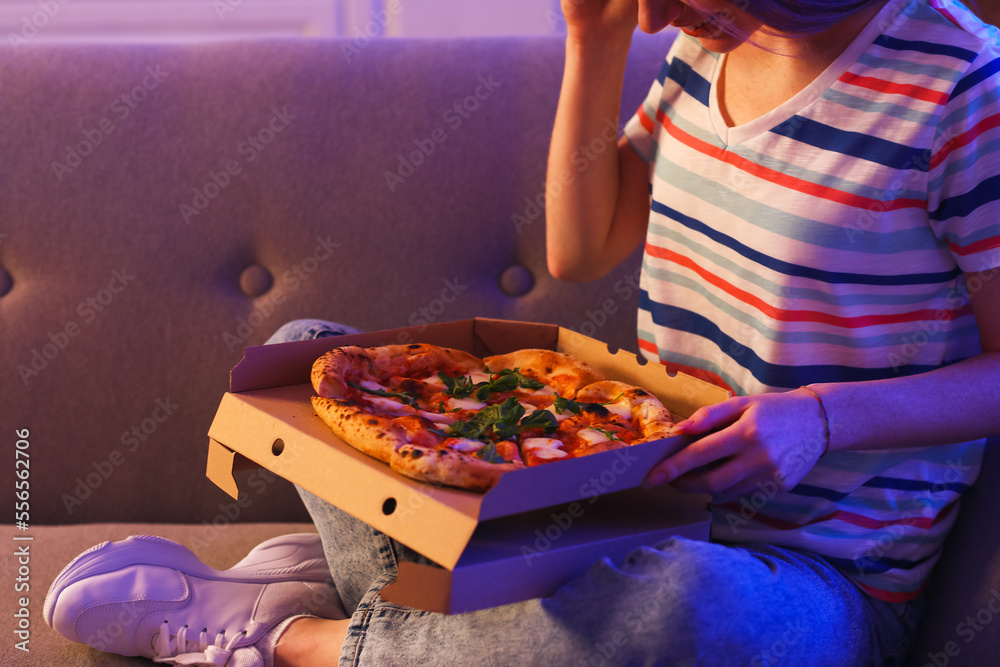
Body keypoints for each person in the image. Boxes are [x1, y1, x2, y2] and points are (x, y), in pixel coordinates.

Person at [45, 0, 1000, 665]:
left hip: (812, 575)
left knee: (697, 612)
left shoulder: (965, 91)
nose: (658, 16)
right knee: (306, 351)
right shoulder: (709, 44)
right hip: (617, 496)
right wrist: (589, 39)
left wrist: (823, 419)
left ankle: (290, 635)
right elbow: (583, 249)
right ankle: (435, 622)